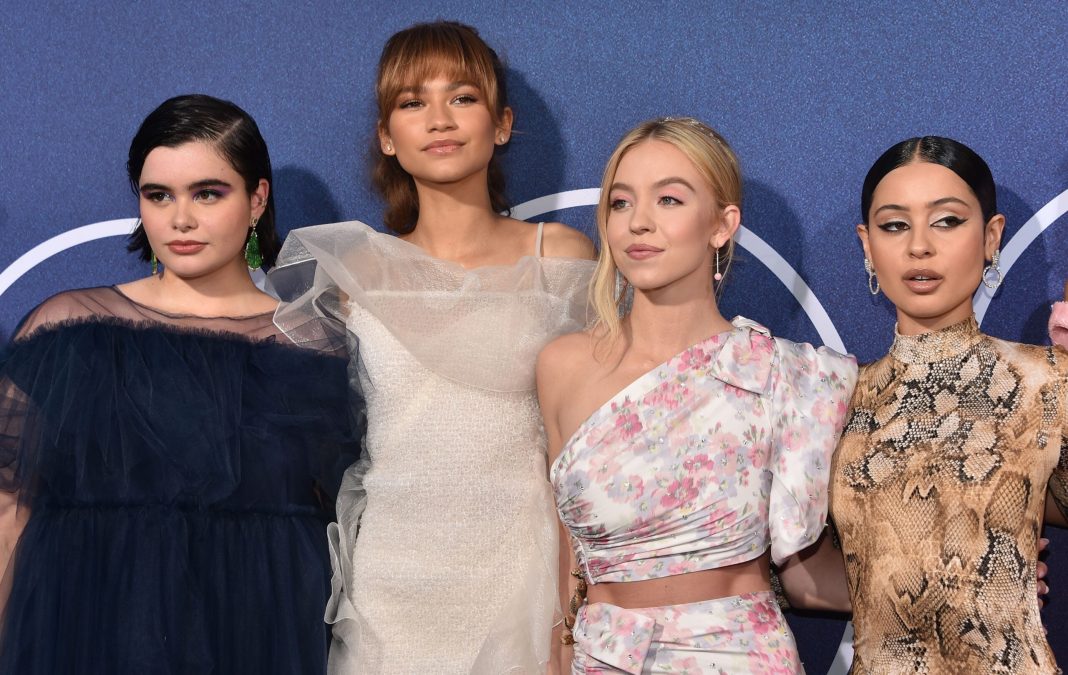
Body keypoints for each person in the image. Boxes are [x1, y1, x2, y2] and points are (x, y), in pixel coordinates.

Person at [270, 21, 596, 674]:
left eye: (463, 97)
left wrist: (570, 610)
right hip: (391, 582)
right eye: (413, 102)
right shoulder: (352, 271)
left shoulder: (559, 258)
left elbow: (586, 447)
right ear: (388, 137)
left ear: (501, 124)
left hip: (519, 575)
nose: (440, 119)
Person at [0, 94, 362, 674]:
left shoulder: (312, 346)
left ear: (257, 198)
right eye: (158, 195)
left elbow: (353, 523)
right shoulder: (69, 328)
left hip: (257, 630)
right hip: (88, 625)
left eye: (208, 193)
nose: (181, 219)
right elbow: (9, 507)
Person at [537, 117, 857, 673]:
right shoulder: (562, 366)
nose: (639, 223)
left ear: (721, 224)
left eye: (669, 200)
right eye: (620, 203)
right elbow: (570, 563)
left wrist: (960, 581)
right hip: (601, 655)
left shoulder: (788, 375)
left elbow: (805, 574)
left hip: (740, 654)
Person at [831, 135, 1068, 673]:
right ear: (867, 245)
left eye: (946, 221)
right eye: (894, 225)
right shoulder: (834, 397)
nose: (919, 246)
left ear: (991, 236)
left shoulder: (1048, 380)